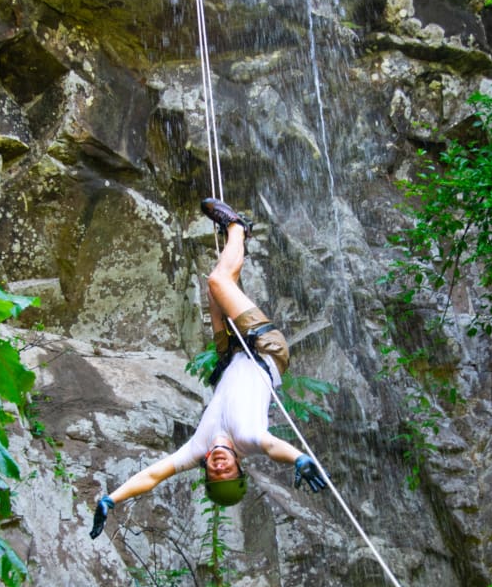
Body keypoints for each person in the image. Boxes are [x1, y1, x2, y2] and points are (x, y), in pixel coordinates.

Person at [90, 198, 327, 539]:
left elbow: (154, 475)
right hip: (264, 349)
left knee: (214, 288)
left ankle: (232, 236)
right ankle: (237, 228)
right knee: (219, 281)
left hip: (229, 355)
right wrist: (300, 459)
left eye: (214, 473)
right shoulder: (248, 438)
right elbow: (275, 447)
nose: (218, 466)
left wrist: (110, 500)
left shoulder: (197, 450)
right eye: (226, 471)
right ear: (238, 466)